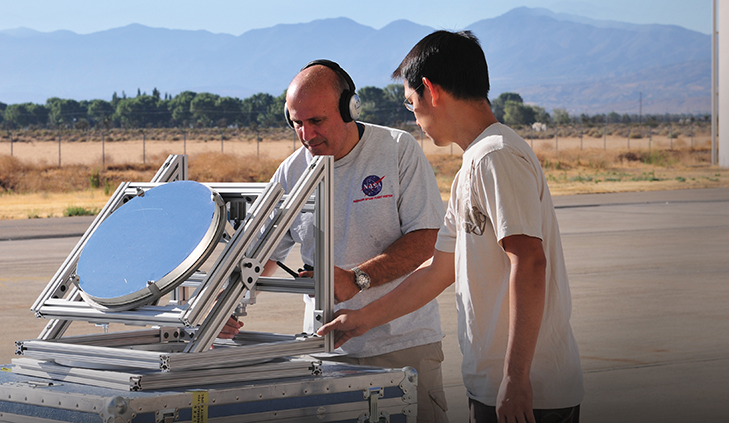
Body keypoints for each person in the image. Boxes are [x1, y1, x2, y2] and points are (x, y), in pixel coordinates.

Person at [317, 31, 585, 423]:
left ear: (430, 90)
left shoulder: (496, 157)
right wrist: (361, 320)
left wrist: (515, 377)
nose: (415, 117)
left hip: (529, 394)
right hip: (495, 387)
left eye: (411, 103)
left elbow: (529, 262)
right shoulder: (474, 164)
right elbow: (439, 270)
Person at [223, 59, 449, 423]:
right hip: (326, 352)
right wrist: (226, 307)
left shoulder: (396, 150)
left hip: (402, 346)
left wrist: (357, 279)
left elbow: (425, 239)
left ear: (349, 108)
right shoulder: (291, 172)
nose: (306, 135)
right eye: (297, 123)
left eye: (316, 121)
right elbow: (260, 255)